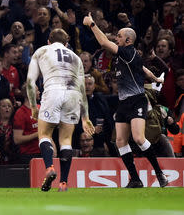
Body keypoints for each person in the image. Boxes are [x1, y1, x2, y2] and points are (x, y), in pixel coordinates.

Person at [83, 13, 168, 188]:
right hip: (124, 103)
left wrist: (92, 24)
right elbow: (144, 69)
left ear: (128, 40)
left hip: (137, 100)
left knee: (138, 138)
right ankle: (135, 179)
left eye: (119, 36)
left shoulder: (128, 52)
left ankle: (160, 174)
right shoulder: (127, 57)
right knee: (120, 141)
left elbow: (104, 43)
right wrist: (157, 79)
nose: (116, 38)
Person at [26, 28, 94, 192]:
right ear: (67, 43)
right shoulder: (76, 58)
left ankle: (49, 168)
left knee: (45, 135)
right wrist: (85, 117)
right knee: (65, 140)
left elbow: (30, 82)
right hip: (73, 95)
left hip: (53, 91)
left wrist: (34, 107)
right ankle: (63, 183)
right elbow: (82, 89)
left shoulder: (42, 50)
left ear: (49, 41)